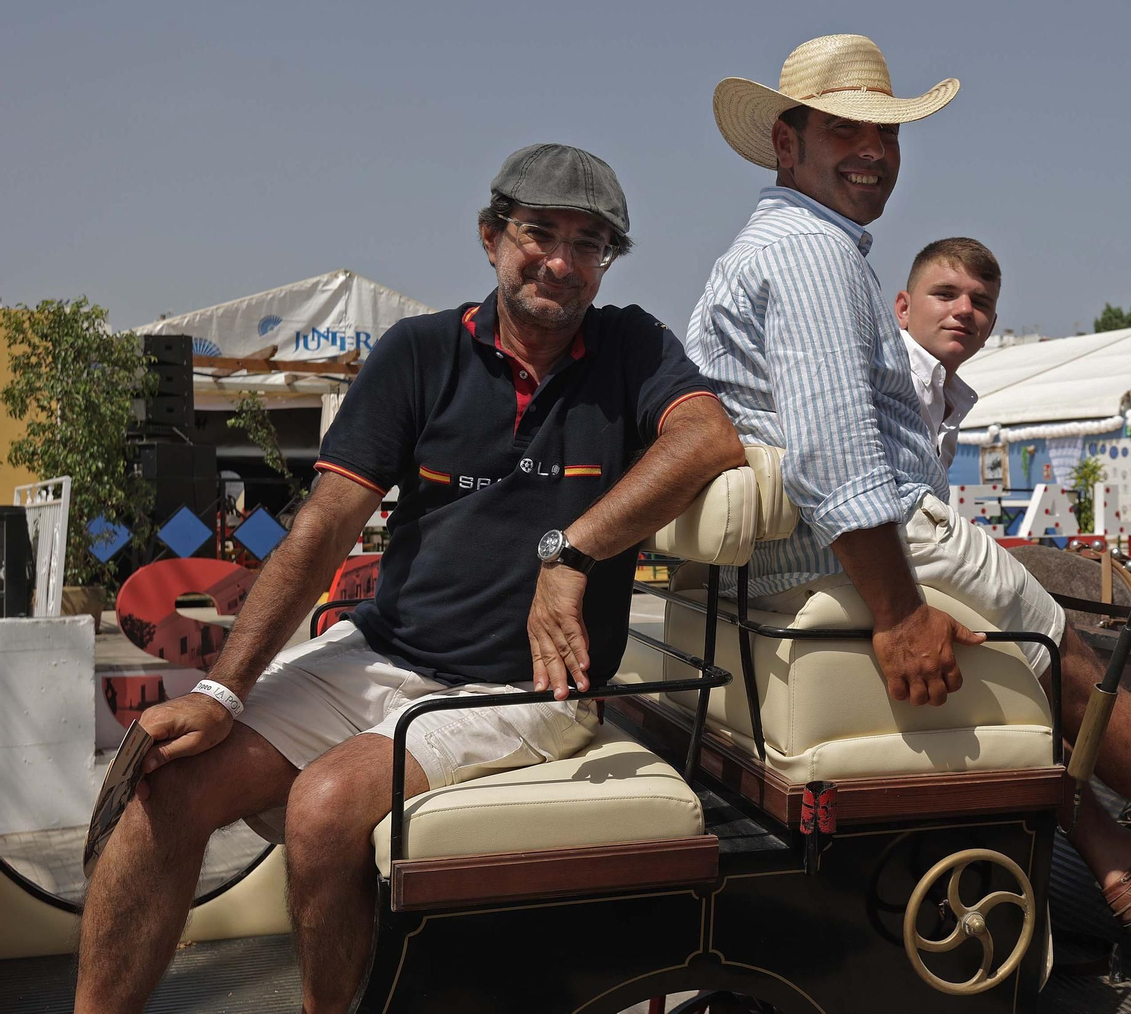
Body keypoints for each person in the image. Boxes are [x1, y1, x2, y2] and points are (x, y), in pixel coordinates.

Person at [76, 144, 746, 1014]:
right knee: (164, 771)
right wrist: (219, 692)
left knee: (323, 808)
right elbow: (321, 530)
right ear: (490, 237)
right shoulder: (419, 352)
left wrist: (569, 555)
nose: (562, 261)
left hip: (528, 684)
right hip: (382, 651)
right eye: (539, 232)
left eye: (591, 244)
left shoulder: (629, 345)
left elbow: (710, 441)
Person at [686, 33, 1131, 931]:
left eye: (887, 134)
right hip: (861, 543)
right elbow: (839, 459)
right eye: (847, 129)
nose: (873, 152)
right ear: (786, 141)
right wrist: (898, 613)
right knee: (1067, 660)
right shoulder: (811, 255)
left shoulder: (782, 246)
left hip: (780, 565)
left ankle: (1115, 851)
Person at [894, 237, 998, 468]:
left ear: (990, 328)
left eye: (980, 302)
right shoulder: (878, 377)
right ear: (904, 309)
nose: (965, 310)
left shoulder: (953, 399)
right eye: (945, 294)